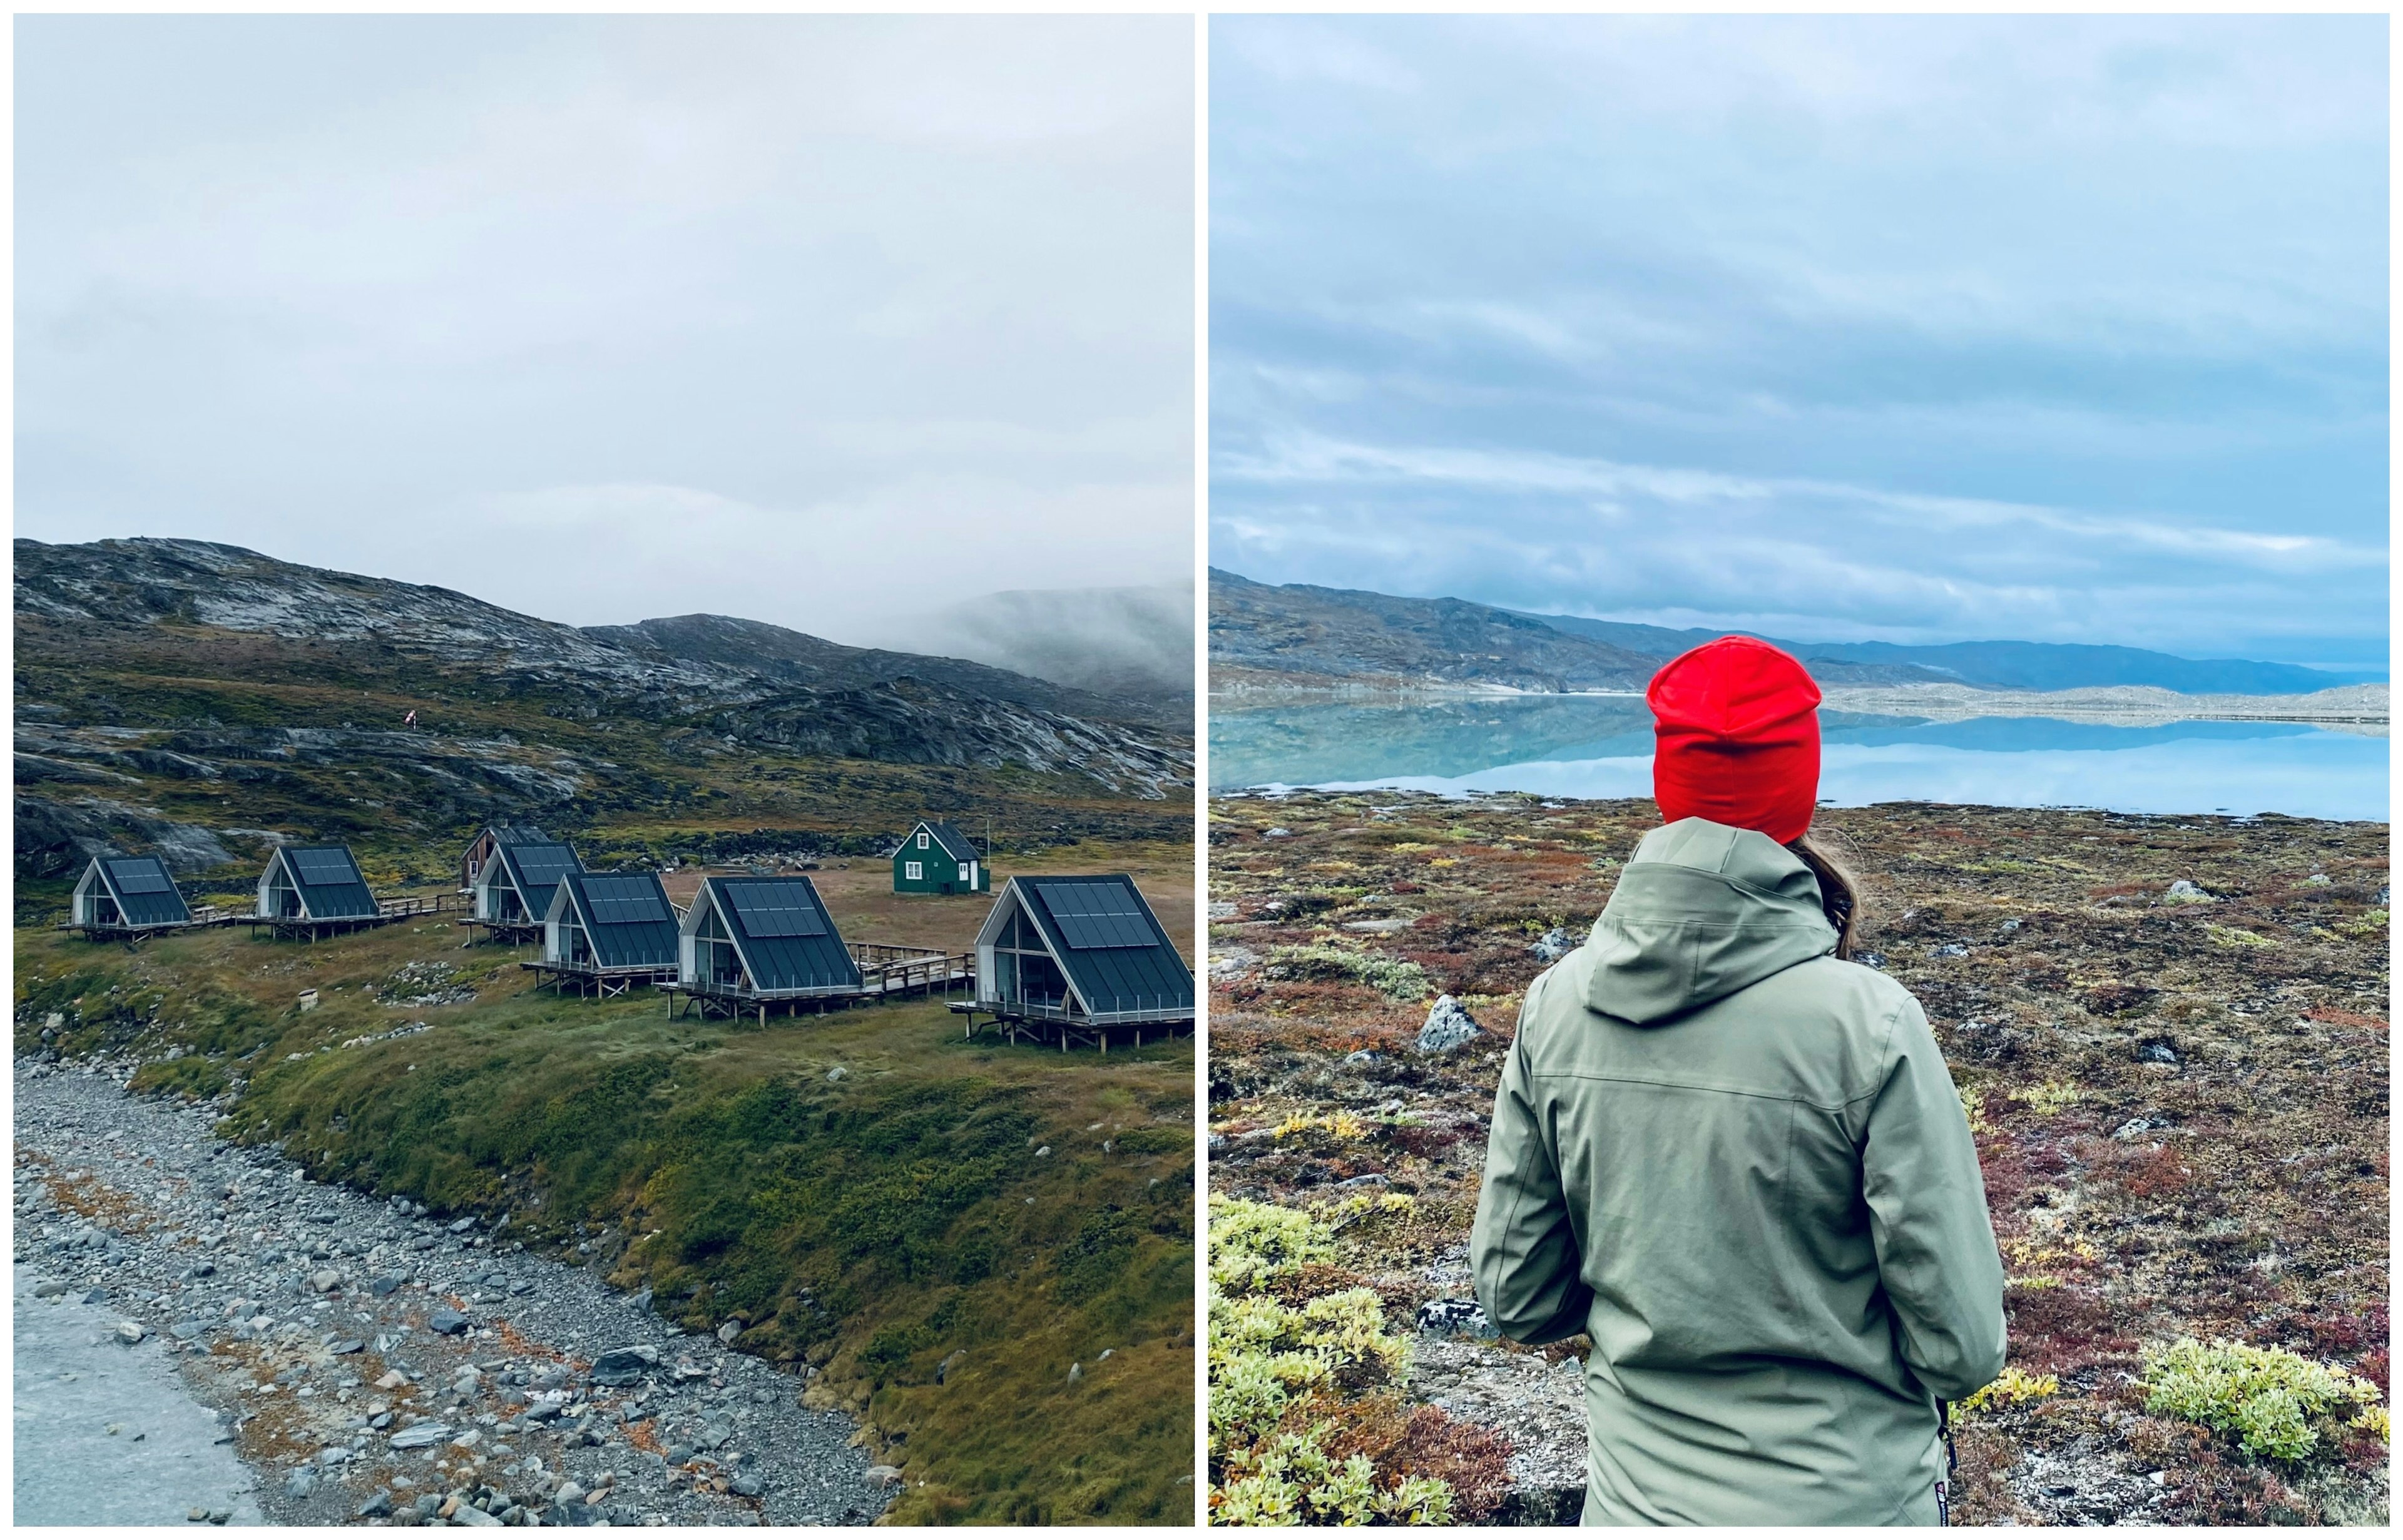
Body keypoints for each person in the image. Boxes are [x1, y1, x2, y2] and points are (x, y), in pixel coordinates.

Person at [1470, 635, 2005, 1526]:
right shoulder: (1869, 1024)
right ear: (1798, 787)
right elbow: (1963, 1346)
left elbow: (1520, 1297)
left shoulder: (1554, 1005)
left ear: (1666, 782)